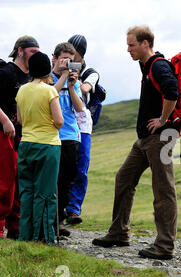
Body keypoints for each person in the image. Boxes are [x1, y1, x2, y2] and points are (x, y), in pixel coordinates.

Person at [93, 25, 180, 260]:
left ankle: (164, 246)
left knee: (163, 191)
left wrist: (163, 120)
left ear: (145, 44)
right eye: (128, 45)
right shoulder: (146, 67)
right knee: (124, 177)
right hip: (144, 140)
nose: (128, 49)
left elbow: (173, 91)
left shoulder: (158, 65)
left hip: (160, 139)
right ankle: (119, 233)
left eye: (131, 45)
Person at [15, 51, 64, 245]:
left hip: (26, 144)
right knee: (45, 193)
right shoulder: (49, 91)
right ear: (46, 70)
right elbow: (59, 121)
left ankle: (24, 235)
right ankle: (43, 237)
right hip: (47, 146)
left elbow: (19, 119)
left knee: (26, 191)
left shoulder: (21, 91)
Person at [0, 36, 39, 239]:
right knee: (4, 183)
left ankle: (16, 230)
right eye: (33, 51)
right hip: (3, 133)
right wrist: (5, 120)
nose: (36, 55)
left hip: (23, 137)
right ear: (21, 50)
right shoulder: (6, 73)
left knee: (20, 183)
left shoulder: (32, 77)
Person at [65, 34, 99, 225]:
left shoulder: (91, 72)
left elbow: (85, 89)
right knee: (64, 168)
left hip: (83, 127)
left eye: (73, 52)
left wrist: (72, 78)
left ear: (80, 54)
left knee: (81, 167)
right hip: (65, 125)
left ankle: (74, 209)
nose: (69, 56)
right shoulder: (60, 69)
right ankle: (62, 209)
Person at [51, 42, 84, 236]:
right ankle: (51, 222)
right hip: (52, 135)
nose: (67, 63)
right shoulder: (46, 79)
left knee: (66, 182)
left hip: (71, 135)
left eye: (70, 61)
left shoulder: (74, 81)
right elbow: (50, 96)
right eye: (63, 59)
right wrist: (62, 75)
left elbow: (79, 108)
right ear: (54, 58)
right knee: (52, 181)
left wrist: (72, 85)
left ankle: (59, 221)